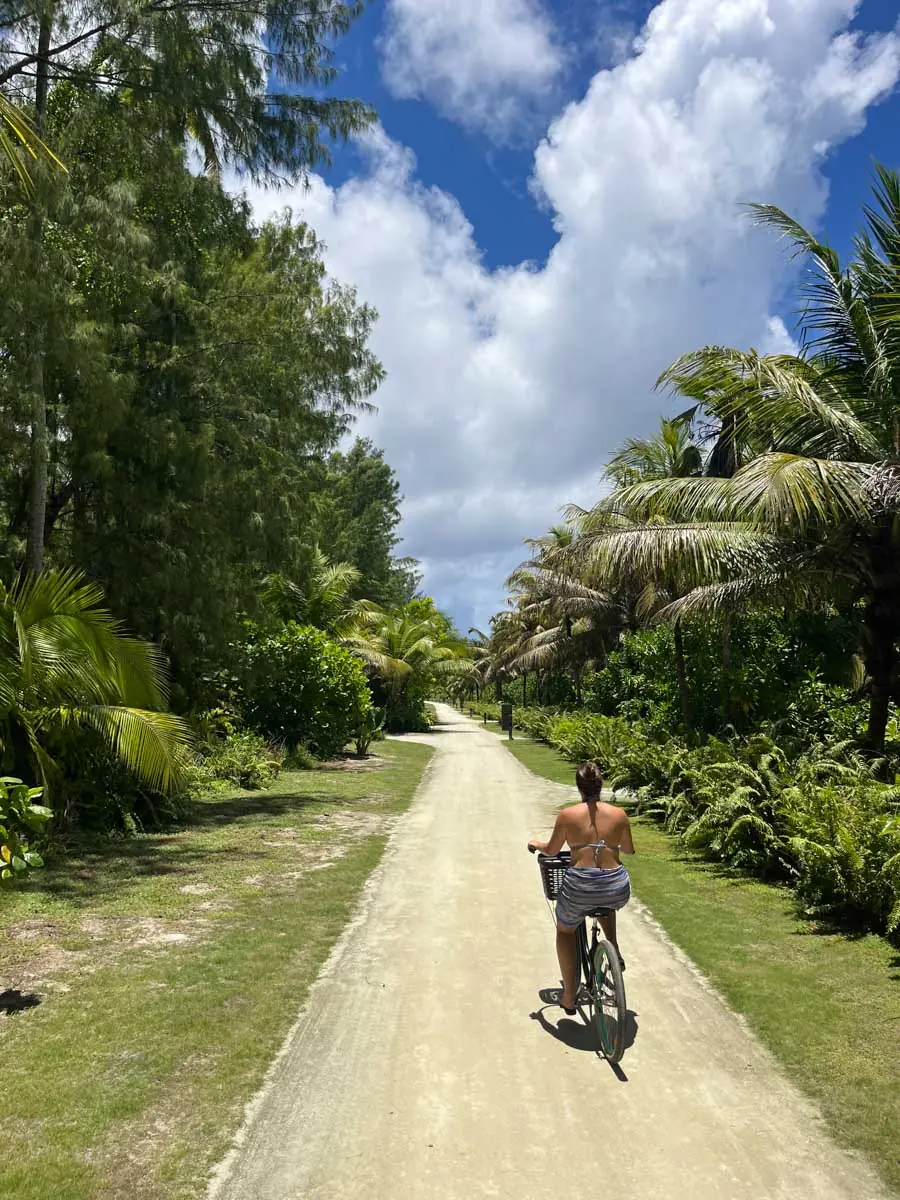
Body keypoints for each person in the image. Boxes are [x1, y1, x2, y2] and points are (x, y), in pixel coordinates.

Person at [528, 761, 634, 1015]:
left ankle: (568, 996)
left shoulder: (568, 815)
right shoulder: (619, 815)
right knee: (606, 904)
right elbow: (629, 850)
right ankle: (613, 945)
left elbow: (552, 850)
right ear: (601, 785)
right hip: (615, 885)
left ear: (579, 787)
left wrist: (536, 844)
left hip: (580, 887)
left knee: (565, 931)